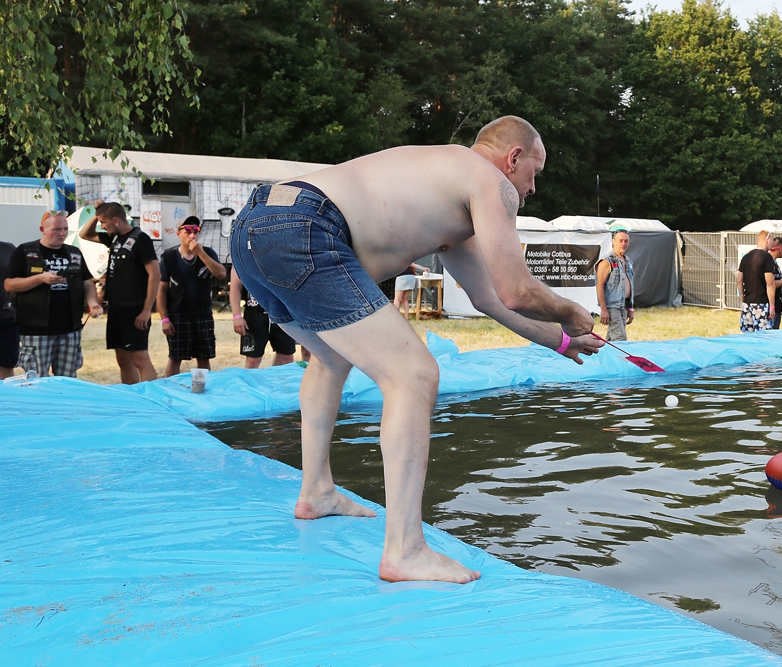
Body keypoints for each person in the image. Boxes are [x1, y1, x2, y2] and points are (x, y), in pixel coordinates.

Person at [229, 115, 603, 584]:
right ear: (514, 157)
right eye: (535, 172)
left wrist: (563, 341)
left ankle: (316, 492)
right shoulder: (490, 181)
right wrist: (570, 310)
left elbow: (490, 299)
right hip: (306, 225)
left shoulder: (446, 181)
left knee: (331, 356)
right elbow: (516, 290)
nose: (532, 188)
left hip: (255, 224)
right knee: (413, 375)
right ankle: (404, 550)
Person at [4, 211, 103, 377]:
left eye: (65, 229)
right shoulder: (25, 251)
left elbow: (87, 282)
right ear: (42, 229)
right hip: (35, 328)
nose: (62, 233)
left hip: (70, 328)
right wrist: (40, 278)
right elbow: (9, 285)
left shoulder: (74, 253)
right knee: (37, 379)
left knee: (67, 378)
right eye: (57, 229)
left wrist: (93, 303)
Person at [79, 201, 160, 384]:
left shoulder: (140, 239)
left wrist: (146, 310)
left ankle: (150, 396)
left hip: (135, 308)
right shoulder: (114, 238)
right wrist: (97, 213)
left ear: (115, 220)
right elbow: (85, 234)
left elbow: (155, 275)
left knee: (139, 358)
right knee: (123, 359)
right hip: (116, 307)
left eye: (103, 222)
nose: (101, 226)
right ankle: (130, 394)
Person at [157, 217, 227, 376]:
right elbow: (161, 290)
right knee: (175, 357)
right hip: (178, 314)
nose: (192, 235)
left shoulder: (208, 252)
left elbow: (221, 274)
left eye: (196, 230)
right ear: (178, 233)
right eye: (187, 230)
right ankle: (170, 387)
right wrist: (165, 319)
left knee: (203, 357)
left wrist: (200, 253)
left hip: (202, 313)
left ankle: (201, 387)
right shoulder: (169, 257)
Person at [230, 266, 297, 368]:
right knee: (253, 360)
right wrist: (237, 316)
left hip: (282, 313)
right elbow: (235, 286)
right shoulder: (243, 258)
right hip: (255, 314)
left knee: (286, 358)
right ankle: (250, 379)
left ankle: (278, 378)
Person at [596, 228, 634, 341]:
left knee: (612, 340)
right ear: (613, 242)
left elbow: (630, 287)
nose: (623, 243)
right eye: (620, 240)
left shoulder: (628, 261)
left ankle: (603, 352)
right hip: (612, 307)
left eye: (626, 241)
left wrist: (630, 309)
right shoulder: (606, 261)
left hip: (624, 305)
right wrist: (603, 309)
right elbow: (599, 286)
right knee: (620, 339)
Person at [736, 230, 776, 332]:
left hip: (747, 303)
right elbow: (770, 284)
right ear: (768, 240)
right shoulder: (767, 257)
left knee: (747, 334)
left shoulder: (746, 257)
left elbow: (739, 280)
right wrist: (772, 306)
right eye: (771, 241)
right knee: (763, 335)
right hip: (761, 303)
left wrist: (742, 297)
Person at [0, 237, 20, 379]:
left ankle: (5, 392)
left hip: (6, 317)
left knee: (6, 364)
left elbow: (21, 275)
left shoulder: (8, 249)